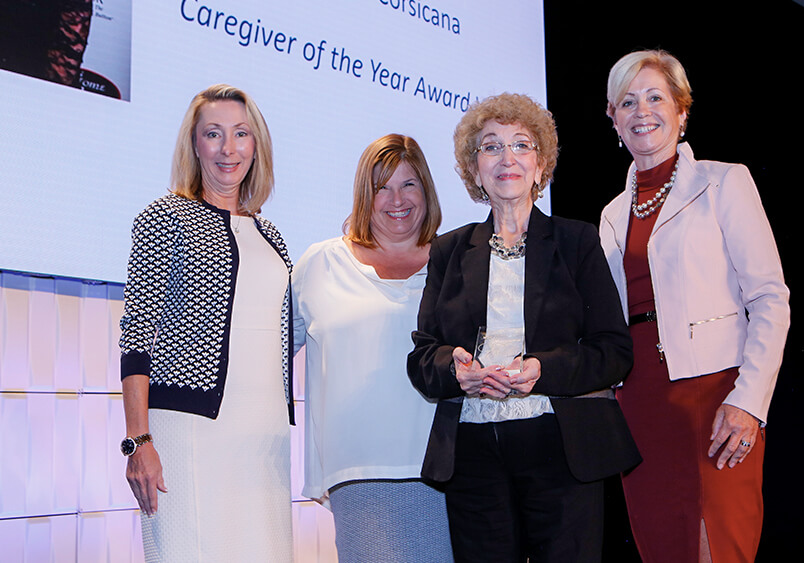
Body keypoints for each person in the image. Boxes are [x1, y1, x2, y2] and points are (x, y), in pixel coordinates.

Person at [407, 92, 641, 563]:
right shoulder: (449, 250)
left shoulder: (577, 242)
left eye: (521, 145)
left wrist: (542, 368)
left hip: (560, 444)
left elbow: (614, 351)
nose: (506, 157)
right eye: (491, 146)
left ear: (541, 166)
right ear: (475, 171)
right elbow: (422, 357)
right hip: (473, 451)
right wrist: (457, 370)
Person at [599, 50, 791, 562]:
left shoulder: (725, 181)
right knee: (662, 547)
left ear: (682, 111)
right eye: (627, 101)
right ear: (613, 120)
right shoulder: (611, 215)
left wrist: (749, 401)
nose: (642, 110)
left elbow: (771, 298)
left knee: (717, 548)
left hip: (715, 398)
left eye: (655, 96)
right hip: (638, 405)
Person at [120, 84, 294, 562]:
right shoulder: (166, 217)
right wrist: (139, 441)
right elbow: (137, 335)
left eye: (241, 134)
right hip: (188, 432)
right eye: (213, 134)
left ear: (256, 144)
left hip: (264, 436)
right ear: (194, 144)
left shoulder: (271, 234)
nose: (228, 148)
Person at [291, 134, 453, 562]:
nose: (396, 199)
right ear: (365, 194)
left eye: (409, 184)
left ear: (427, 191)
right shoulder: (320, 263)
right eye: (382, 186)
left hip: (453, 470)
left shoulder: (457, 262)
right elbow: (267, 357)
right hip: (361, 477)